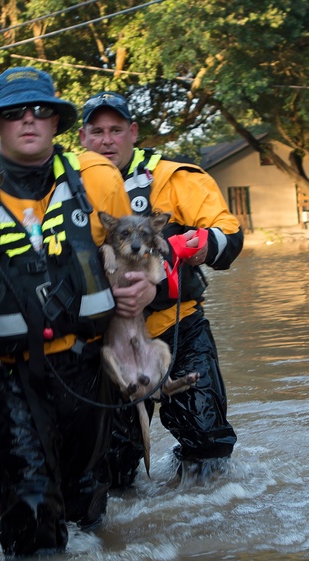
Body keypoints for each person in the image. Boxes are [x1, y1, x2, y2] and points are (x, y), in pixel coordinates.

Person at [0, 67, 154, 556]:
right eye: (13, 112)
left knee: (88, 515)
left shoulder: (98, 178)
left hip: (87, 370)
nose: (28, 119)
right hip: (5, 378)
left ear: (57, 122)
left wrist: (145, 289)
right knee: (32, 532)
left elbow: (138, 257)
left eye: (41, 110)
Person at [79, 91, 243, 487]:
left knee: (207, 441)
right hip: (106, 339)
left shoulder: (173, 177)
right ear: (82, 138)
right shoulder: (64, 185)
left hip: (177, 327)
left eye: (116, 130)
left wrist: (190, 246)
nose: (107, 140)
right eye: (97, 131)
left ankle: (206, 525)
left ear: (133, 132)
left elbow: (230, 234)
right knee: (112, 466)